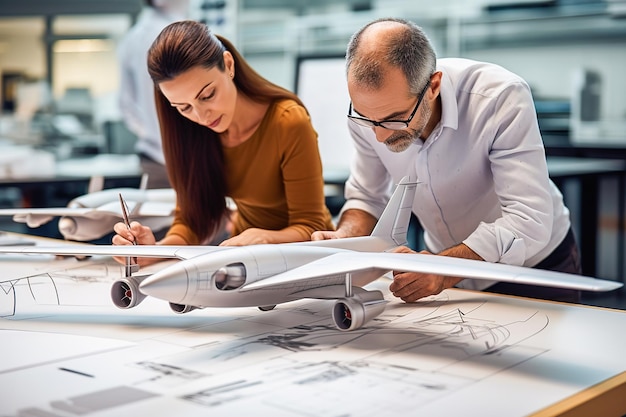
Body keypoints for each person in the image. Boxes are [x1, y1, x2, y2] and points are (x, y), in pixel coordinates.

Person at [312, 18, 582, 303]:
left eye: (394, 120)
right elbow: (368, 196)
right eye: (368, 119)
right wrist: (346, 236)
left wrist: (443, 269)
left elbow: (528, 219)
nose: (379, 136)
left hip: (533, 267)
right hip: (449, 270)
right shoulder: (370, 113)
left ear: (433, 86)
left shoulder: (499, 98)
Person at [113, 20, 334, 265]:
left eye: (208, 95)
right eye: (183, 107)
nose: (201, 116)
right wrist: (150, 253)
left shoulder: (287, 121)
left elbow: (311, 226)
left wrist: (266, 239)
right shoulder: (192, 131)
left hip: (307, 260)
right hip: (244, 259)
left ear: (228, 65)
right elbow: (190, 222)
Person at [117, 0, 190, 189]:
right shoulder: (175, 34)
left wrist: (150, 133)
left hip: (153, 157)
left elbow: (126, 106)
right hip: (184, 158)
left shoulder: (132, 38)